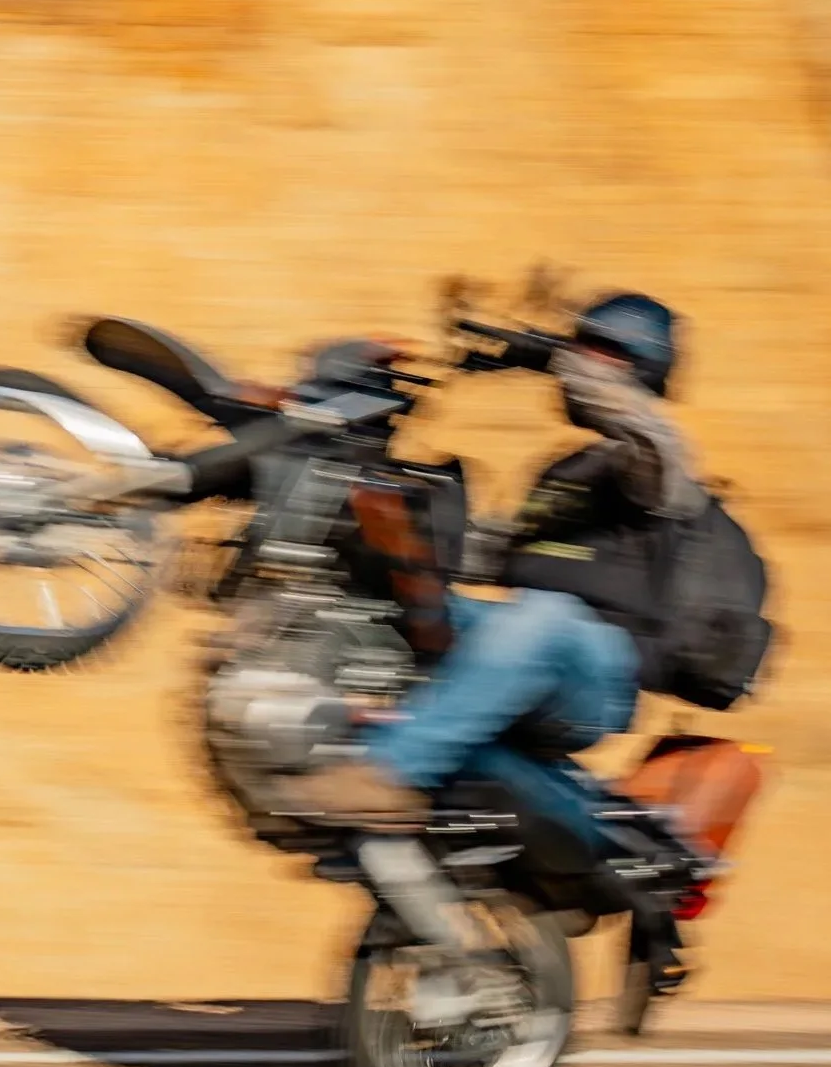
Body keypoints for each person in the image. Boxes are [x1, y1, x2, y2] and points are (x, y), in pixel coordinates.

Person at [292, 292, 705, 827]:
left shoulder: (654, 473)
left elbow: (656, 441)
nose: (580, 359)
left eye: (600, 350)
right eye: (581, 346)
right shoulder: (565, 475)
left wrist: (549, 355)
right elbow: (469, 557)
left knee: (545, 615)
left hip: (596, 681)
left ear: (640, 368)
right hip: (522, 652)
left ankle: (388, 774)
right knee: (392, 588)